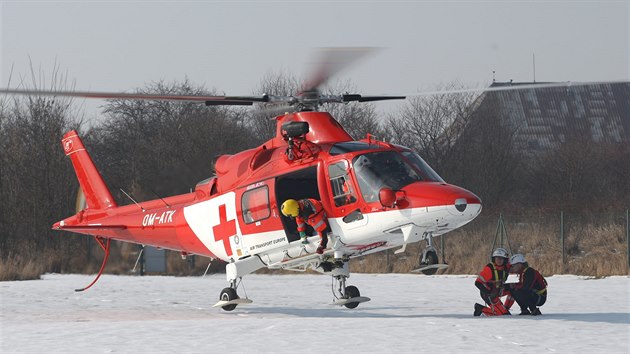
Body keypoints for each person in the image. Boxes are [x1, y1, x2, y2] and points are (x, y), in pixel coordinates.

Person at [473, 247, 511, 316]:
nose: (499, 260)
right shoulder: (489, 269)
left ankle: (505, 308)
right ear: (494, 259)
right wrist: (489, 292)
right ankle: (480, 309)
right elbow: (477, 283)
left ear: (505, 260)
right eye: (497, 258)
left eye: (501, 258)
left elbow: (516, 265)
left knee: (514, 289)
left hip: (499, 290)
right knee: (503, 314)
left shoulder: (506, 267)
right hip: (489, 294)